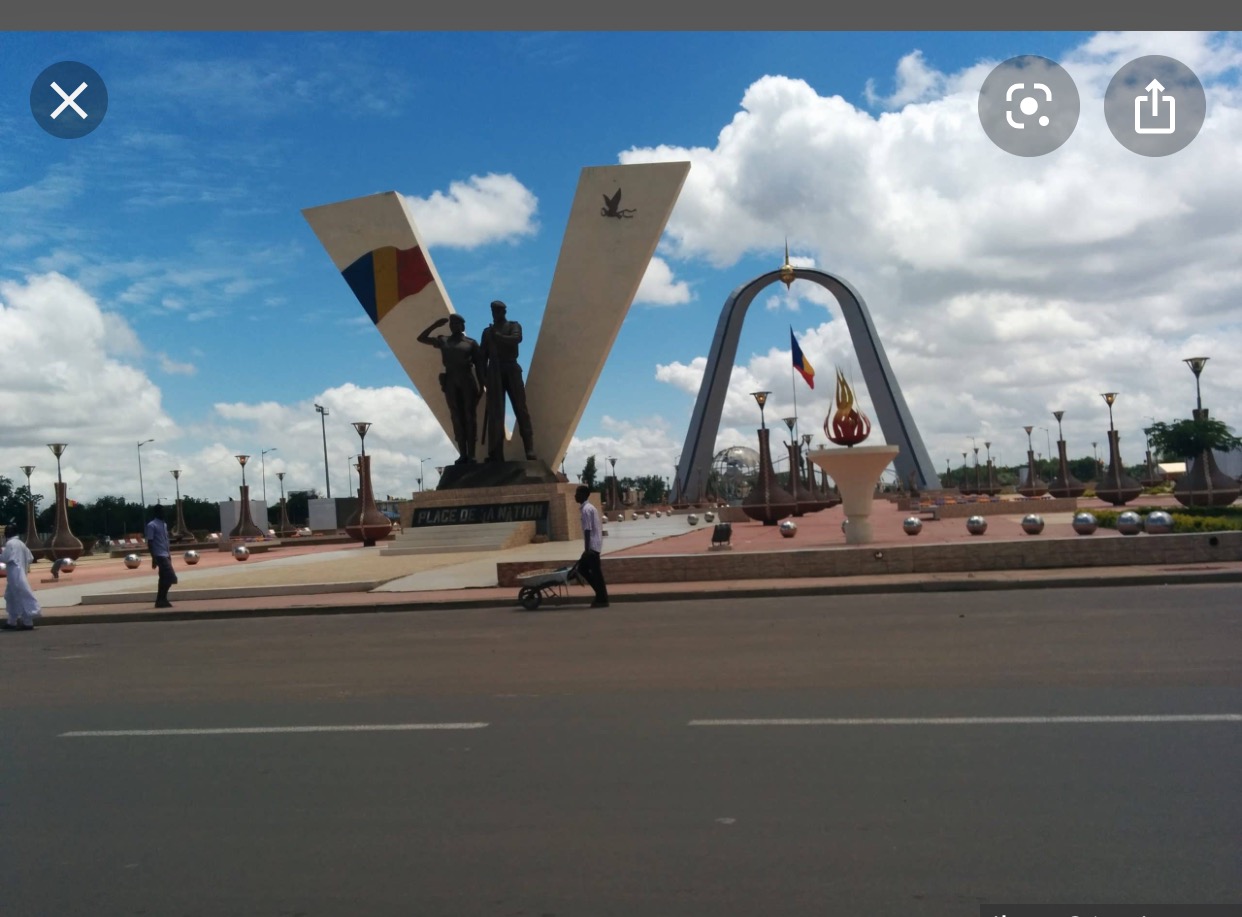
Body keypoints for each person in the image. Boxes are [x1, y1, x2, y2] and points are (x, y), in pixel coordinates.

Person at [417, 314, 485, 464]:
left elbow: (479, 365)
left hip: (467, 380)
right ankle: (463, 454)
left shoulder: (471, 343)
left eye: (457, 323)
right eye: (452, 324)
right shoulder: (444, 340)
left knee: (469, 416)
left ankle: (472, 455)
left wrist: (482, 385)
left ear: (462, 326)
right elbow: (421, 338)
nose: (454, 326)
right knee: (456, 416)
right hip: (451, 380)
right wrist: (435, 325)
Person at [479, 300, 536, 462]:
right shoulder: (487, 332)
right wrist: (483, 377)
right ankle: (496, 453)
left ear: (504, 312)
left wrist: (499, 337)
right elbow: (482, 356)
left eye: (497, 311)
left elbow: (516, 339)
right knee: (496, 414)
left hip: (511, 368)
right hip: (494, 372)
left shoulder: (513, 326)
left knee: (521, 409)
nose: (495, 314)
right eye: (493, 311)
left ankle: (529, 449)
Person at [1, 523, 42, 631]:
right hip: (20, 572)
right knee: (11, 597)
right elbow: (30, 558)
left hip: (15, 573)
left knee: (20, 597)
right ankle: (12, 621)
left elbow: (5, 558)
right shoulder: (21, 543)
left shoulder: (10, 543)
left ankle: (27, 622)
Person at [574, 485, 609, 608]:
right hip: (595, 545)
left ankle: (601, 598)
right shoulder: (590, 508)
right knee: (592, 572)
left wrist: (586, 549)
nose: (575, 496)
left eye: (577, 493)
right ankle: (601, 597)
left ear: (583, 495)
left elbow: (587, 530)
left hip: (592, 547)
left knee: (586, 570)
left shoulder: (586, 510)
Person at [145, 504, 178, 609]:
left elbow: (165, 540)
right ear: (157, 512)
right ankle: (161, 599)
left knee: (163, 578)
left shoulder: (164, 524)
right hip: (159, 555)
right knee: (171, 577)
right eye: (162, 511)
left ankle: (161, 600)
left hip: (166, 554)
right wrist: (153, 558)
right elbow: (150, 542)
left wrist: (169, 554)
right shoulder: (151, 525)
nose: (164, 513)